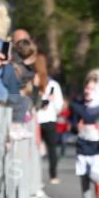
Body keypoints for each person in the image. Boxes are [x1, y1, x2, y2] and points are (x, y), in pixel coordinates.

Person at [70, 75, 99, 198]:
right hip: (82, 146)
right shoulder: (76, 105)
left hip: (97, 148)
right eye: (87, 88)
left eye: (92, 89)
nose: (88, 91)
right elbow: (72, 124)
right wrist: (75, 127)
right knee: (84, 180)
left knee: (93, 174)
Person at [34, 55, 64, 184]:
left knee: (35, 149)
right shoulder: (53, 84)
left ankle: (35, 177)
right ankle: (53, 175)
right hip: (49, 120)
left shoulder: (34, 82)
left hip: (36, 120)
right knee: (52, 149)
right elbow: (59, 105)